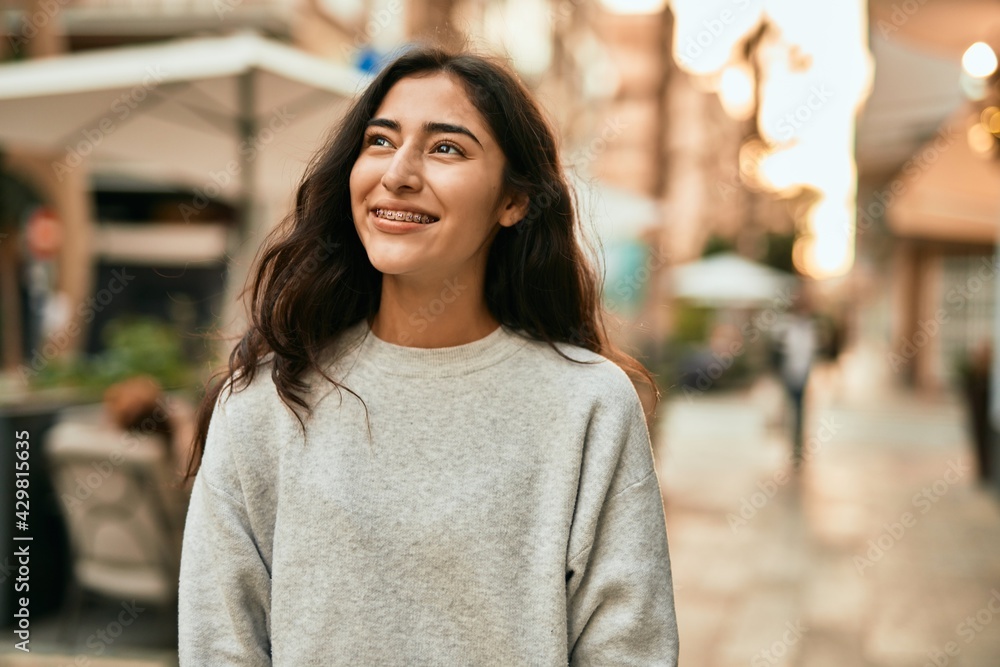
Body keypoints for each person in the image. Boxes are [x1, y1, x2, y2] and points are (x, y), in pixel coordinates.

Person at [178, 46, 679, 666]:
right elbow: (221, 644)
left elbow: (628, 649)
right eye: (381, 141)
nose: (399, 173)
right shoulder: (264, 403)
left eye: (447, 148)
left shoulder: (588, 405)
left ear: (513, 200)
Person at [773, 292, 818, 466]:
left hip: (803, 374)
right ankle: (791, 442)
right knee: (788, 409)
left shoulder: (811, 327)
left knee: (799, 411)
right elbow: (777, 352)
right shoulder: (785, 327)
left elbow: (811, 352)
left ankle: (797, 446)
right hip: (788, 374)